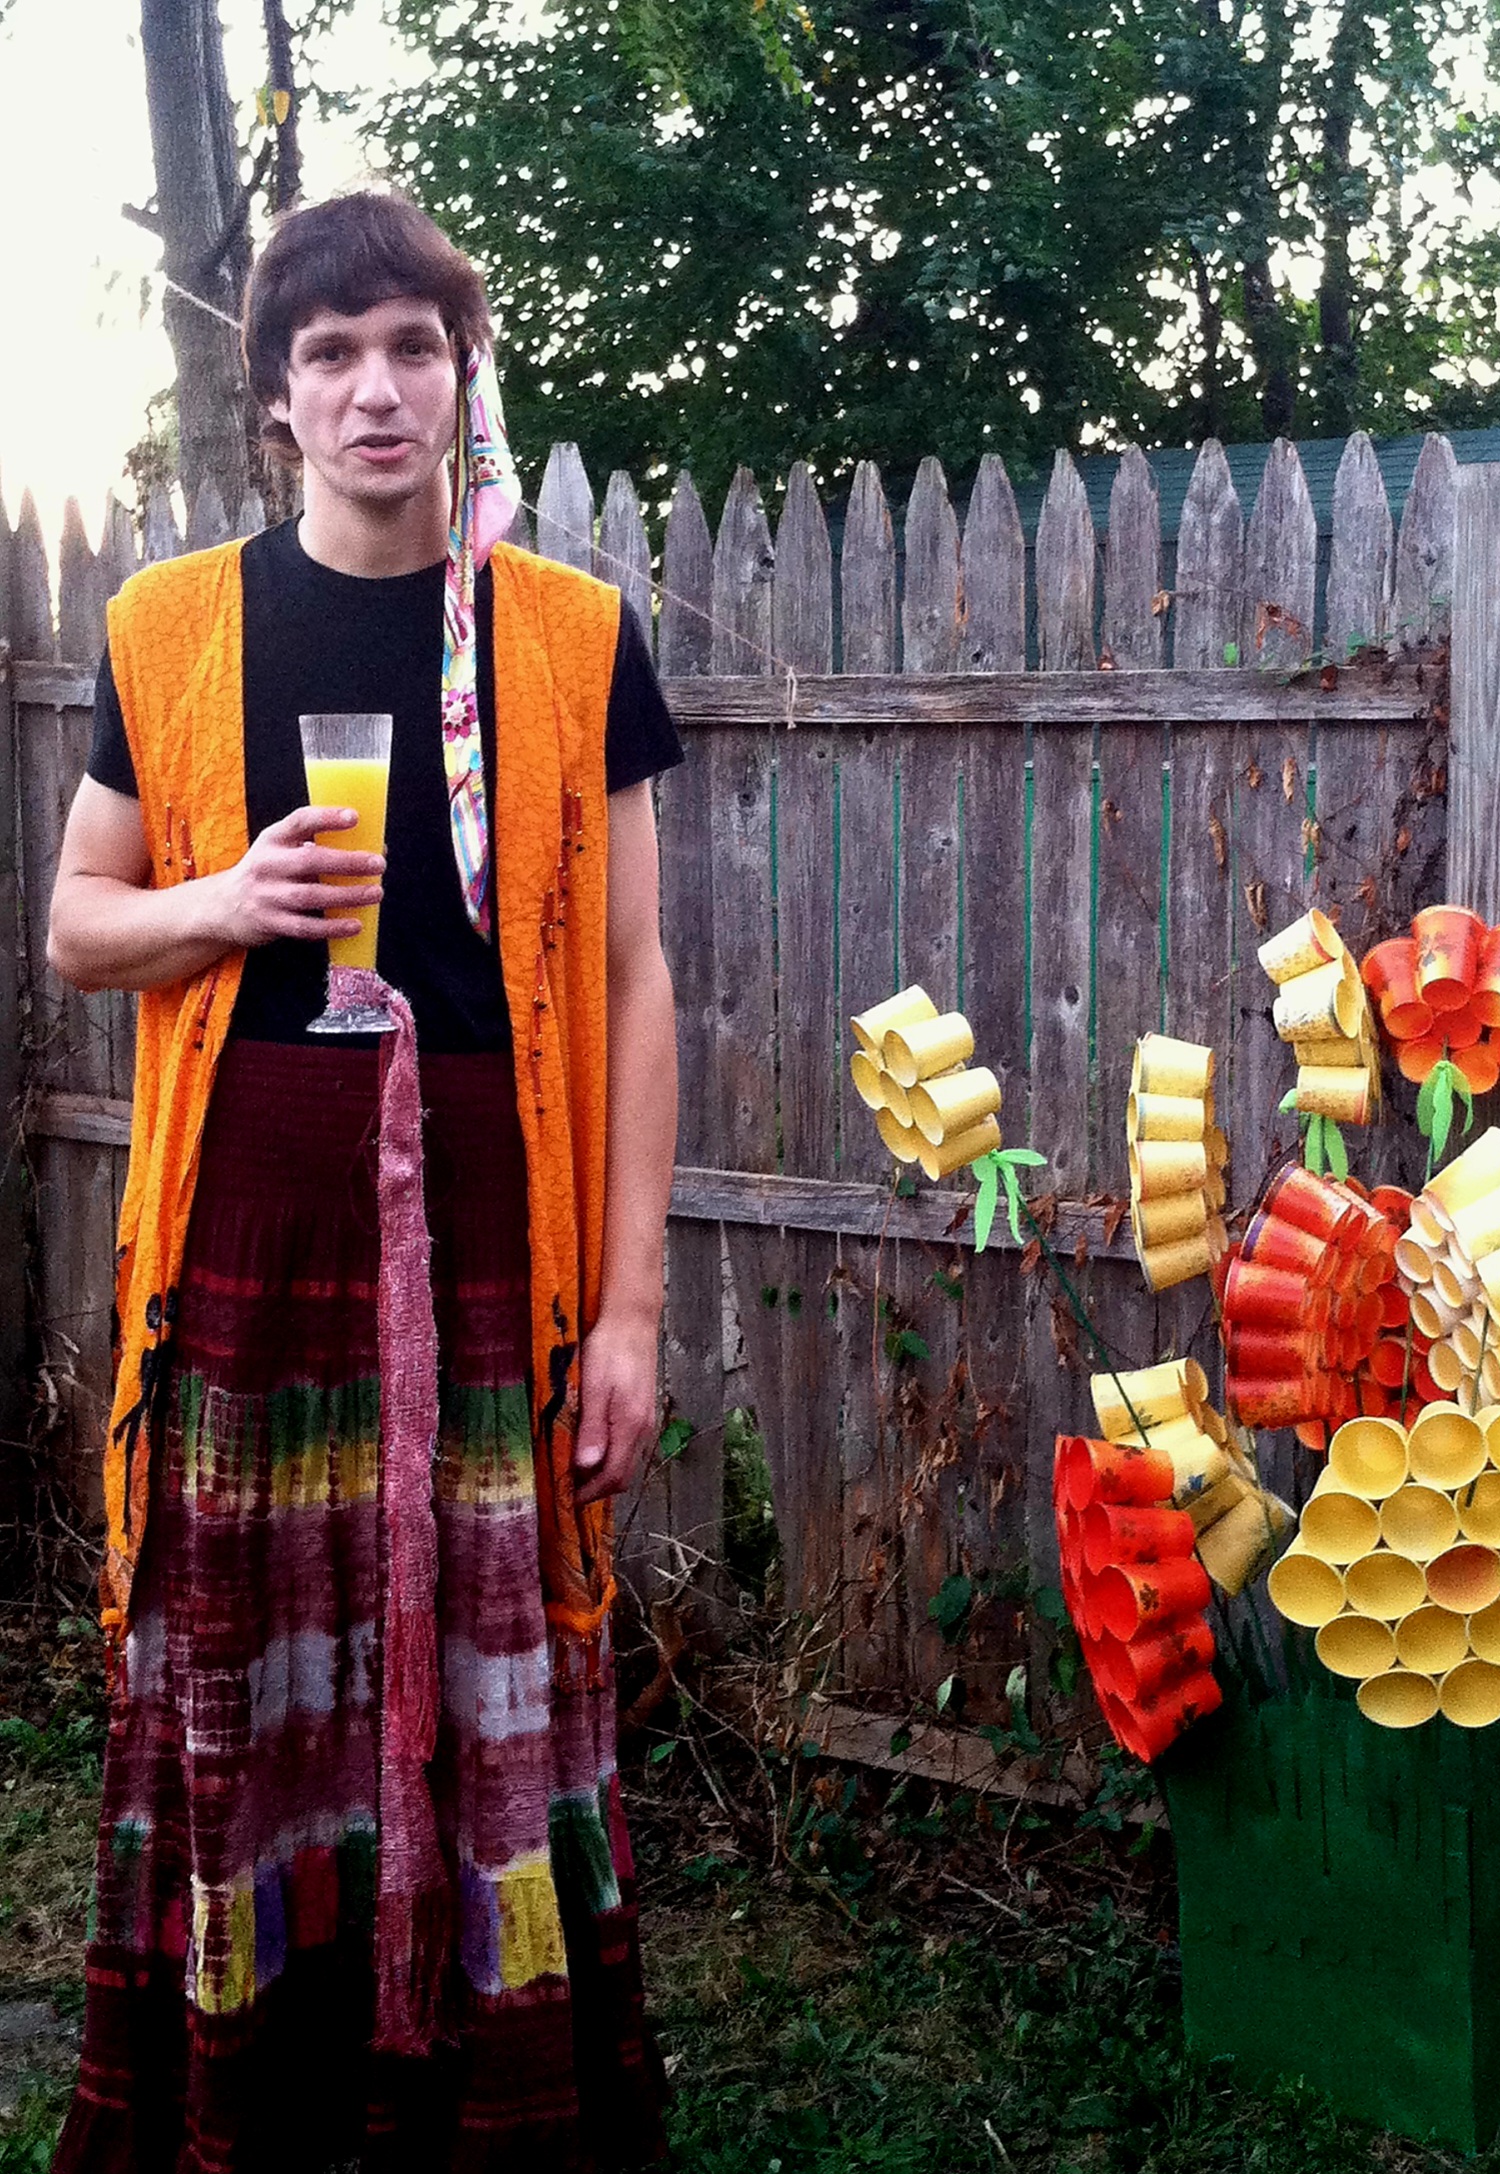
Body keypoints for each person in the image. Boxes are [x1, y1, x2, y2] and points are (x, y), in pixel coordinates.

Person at [45, 190, 680, 2172]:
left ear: (459, 376)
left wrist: (639, 1307)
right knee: (252, 1644)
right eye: (331, 354)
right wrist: (225, 896)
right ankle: (260, 2084)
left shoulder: (568, 640)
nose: (376, 387)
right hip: (248, 1225)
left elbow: (642, 976)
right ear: (276, 399)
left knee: (494, 1639)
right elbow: (75, 924)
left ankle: (494, 2092)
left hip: (500, 1233)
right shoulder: (173, 628)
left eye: (413, 345)